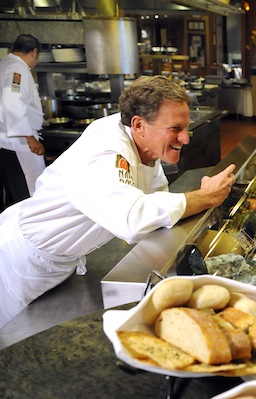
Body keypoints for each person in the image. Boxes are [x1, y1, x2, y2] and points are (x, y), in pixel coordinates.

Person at [0, 75, 237, 328]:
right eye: (175, 129)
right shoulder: (105, 152)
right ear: (139, 124)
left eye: (185, 127)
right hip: (25, 263)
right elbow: (133, 220)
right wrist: (203, 197)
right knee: (18, 339)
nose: (186, 138)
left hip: (64, 260)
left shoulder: (143, 143)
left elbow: (156, 200)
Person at [0, 34, 46, 208]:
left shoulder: (4, 64)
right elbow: (12, 102)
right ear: (34, 52)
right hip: (17, 141)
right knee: (30, 191)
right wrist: (29, 137)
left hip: (7, 139)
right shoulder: (16, 70)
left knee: (14, 190)